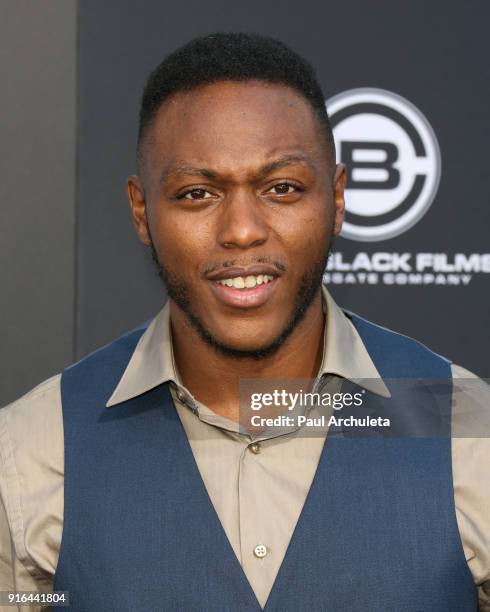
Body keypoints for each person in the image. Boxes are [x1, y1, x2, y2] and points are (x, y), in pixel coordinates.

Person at [0, 32, 488, 612]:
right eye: (197, 193)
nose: (241, 230)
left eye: (282, 188)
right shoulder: (34, 449)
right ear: (141, 211)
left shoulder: (464, 428)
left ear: (335, 197)